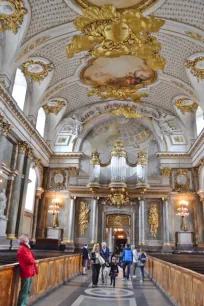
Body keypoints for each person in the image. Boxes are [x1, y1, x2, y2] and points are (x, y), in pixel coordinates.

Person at [17, 235, 38, 306]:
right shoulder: (23, 248)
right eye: (27, 240)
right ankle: (21, 304)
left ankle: (24, 304)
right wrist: (34, 261)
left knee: (27, 290)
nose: (28, 241)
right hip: (26, 271)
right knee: (24, 291)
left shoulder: (25, 248)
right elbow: (29, 259)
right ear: (24, 241)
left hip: (29, 271)